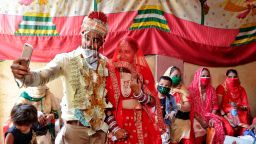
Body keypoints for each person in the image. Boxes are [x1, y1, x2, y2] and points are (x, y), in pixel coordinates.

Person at [10, 11, 114, 144]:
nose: (89, 44)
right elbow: (41, 77)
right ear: (81, 33)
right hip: (75, 130)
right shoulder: (66, 60)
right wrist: (22, 76)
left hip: (100, 132)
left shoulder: (107, 64)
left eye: (96, 40)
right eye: (87, 37)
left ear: (103, 42)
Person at [105, 37, 165, 144]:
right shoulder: (111, 72)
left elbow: (152, 102)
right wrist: (114, 127)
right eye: (120, 51)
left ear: (135, 53)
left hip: (140, 120)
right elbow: (104, 103)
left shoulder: (141, 71)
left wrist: (140, 94)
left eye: (127, 52)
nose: (122, 55)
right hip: (118, 121)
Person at [188, 67, 225, 144]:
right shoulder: (191, 90)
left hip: (210, 115)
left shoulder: (211, 89)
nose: (206, 78)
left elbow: (215, 106)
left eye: (207, 76)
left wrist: (211, 117)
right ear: (197, 76)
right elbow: (190, 108)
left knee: (218, 125)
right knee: (198, 130)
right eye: (203, 76)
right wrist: (201, 121)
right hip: (195, 116)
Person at [216, 69, 250, 136]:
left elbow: (246, 107)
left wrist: (238, 107)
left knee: (245, 132)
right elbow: (218, 106)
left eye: (235, 77)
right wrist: (228, 119)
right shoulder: (221, 88)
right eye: (230, 77)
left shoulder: (241, 89)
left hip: (240, 114)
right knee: (229, 131)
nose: (232, 79)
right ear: (226, 77)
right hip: (225, 115)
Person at [163, 66, 191, 144]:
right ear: (169, 76)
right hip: (167, 123)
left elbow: (188, 107)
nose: (178, 78)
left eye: (179, 76)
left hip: (182, 121)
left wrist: (178, 106)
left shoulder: (182, 89)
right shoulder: (163, 88)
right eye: (175, 76)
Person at [157, 76, 178, 144]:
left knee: (165, 140)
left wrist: (172, 113)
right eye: (161, 84)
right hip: (153, 122)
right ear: (158, 84)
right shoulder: (152, 96)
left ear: (169, 88)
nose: (163, 87)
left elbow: (175, 108)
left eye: (166, 86)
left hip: (165, 123)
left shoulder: (171, 98)